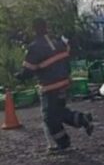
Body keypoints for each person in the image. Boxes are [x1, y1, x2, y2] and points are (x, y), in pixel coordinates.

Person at [16, 18, 94, 152]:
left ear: (34, 29)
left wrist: (18, 76)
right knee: (58, 112)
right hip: (64, 83)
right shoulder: (57, 42)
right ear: (46, 27)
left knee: (49, 117)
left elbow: (28, 71)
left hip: (50, 87)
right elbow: (69, 54)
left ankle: (63, 143)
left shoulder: (34, 47)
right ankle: (82, 119)